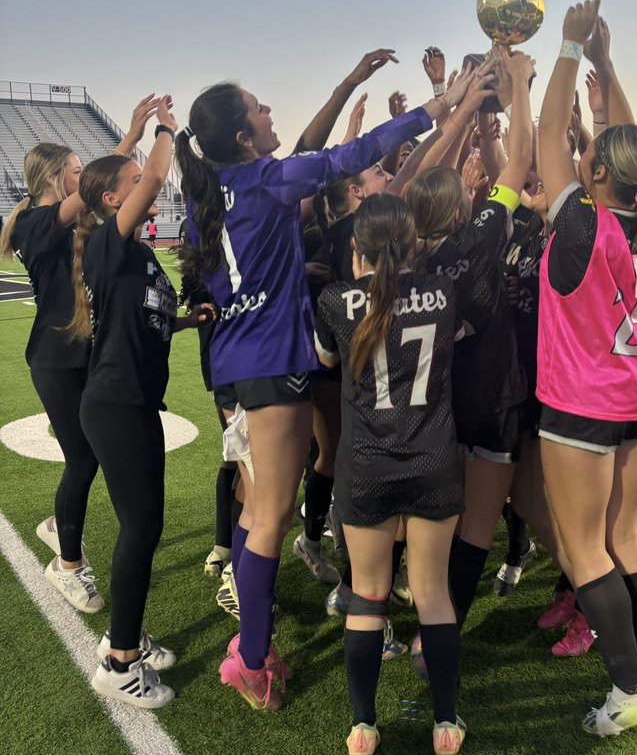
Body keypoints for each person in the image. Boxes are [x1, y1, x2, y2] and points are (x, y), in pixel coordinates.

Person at [176, 69, 480, 711]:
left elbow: (229, 278)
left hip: (233, 363)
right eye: (260, 109)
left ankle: (252, 646)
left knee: (258, 508)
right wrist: (436, 106)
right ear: (243, 135)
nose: (268, 112)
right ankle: (252, 659)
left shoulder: (211, 197)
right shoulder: (265, 180)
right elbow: (351, 155)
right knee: (269, 519)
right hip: (274, 365)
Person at [537, 0, 637, 738]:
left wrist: (568, 48)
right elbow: (636, 153)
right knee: (627, 537)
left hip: (582, 408)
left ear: (595, 174)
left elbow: (545, 136)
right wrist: (606, 60)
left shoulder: (582, 224)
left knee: (585, 545)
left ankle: (630, 687)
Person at [69, 101, 215, 708]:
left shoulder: (136, 254)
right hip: (115, 404)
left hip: (133, 402)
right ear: (111, 201)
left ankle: (125, 638)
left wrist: (184, 320)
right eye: (130, 185)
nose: (145, 186)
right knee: (141, 527)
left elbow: (143, 318)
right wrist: (163, 125)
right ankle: (119, 658)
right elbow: (155, 172)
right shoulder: (107, 243)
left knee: (143, 526)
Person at [315, 194, 466, 755]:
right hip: (433, 458)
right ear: (414, 243)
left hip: (367, 465)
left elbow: (327, 363)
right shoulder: (444, 293)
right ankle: (446, 723)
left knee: (368, 595)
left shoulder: (333, 299)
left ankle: (363, 727)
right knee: (432, 593)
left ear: (357, 248)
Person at [0, 96, 161, 613]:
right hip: (55, 360)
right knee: (83, 458)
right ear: (54, 177)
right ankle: (67, 564)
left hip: (81, 355)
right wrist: (133, 139)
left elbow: (97, 191)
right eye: (73, 170)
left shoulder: (60, 218)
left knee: (90, 458)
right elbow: (96, 192)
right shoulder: (34, 223)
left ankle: (61, 524)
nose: (80, 176)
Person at [405, 48, 533, 640]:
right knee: (481, 522)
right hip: (497, 393)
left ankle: (427, 618)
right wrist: (523, 89)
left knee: (451, 518)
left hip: (442, 402)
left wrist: (474, 113)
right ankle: (444, 632)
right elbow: (516, 169)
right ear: (461, 207)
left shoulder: (408, 258)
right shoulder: (479, 237)